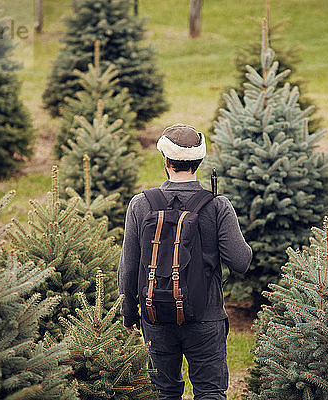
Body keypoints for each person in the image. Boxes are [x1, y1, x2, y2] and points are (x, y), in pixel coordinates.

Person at [118, 123, 252, 400]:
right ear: (200, 161)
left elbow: (128, 269)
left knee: (163, 392)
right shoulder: (217, 206)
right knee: (210, 392)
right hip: (206, 318)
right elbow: (241, 261)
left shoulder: (140, 204)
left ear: (165, 160)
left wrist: (130, 315)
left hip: (156, 318)